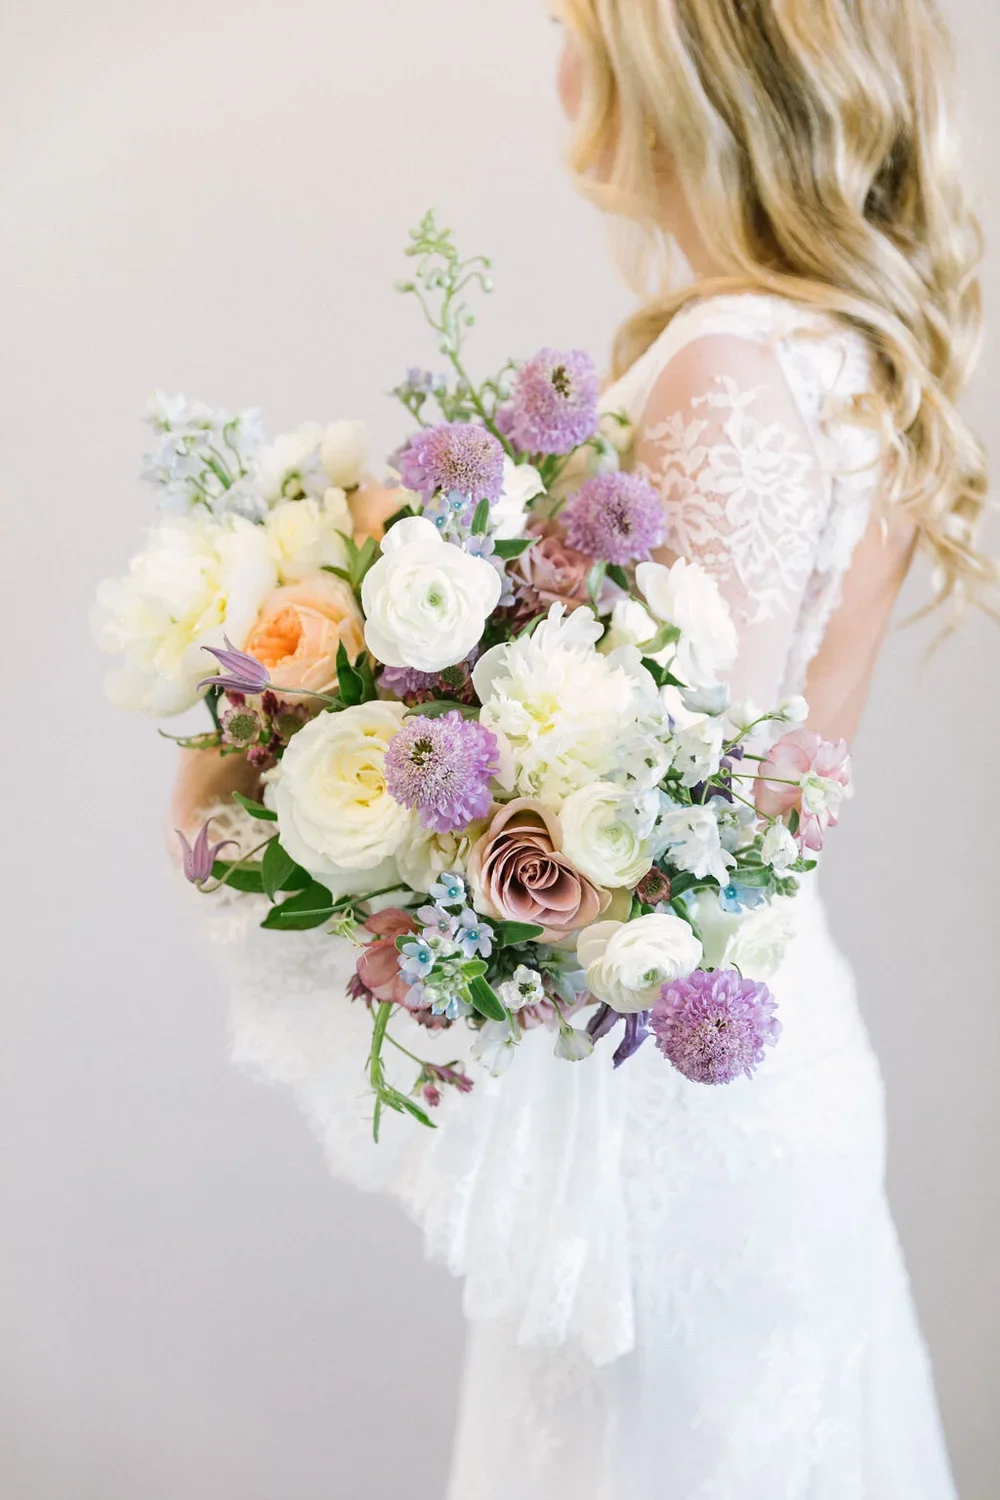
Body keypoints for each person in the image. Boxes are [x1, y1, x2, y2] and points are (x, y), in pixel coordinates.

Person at [174, 1, 993, 1493]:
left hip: (680, 1112)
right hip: (772, 1045)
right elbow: (773, 790)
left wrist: (310, 768)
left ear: (690, 62)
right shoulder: (842, 346)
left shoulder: (730, 361)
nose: (560, 52)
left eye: (578, 19)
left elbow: (677, 839)